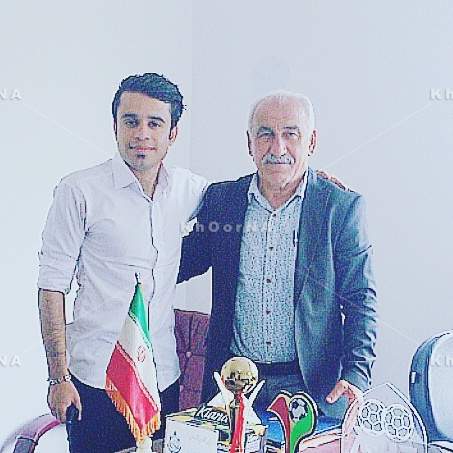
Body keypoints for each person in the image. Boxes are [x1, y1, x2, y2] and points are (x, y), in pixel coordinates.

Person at [177, 91, 377, 418]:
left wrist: (356, 372)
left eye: (291, 134)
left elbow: (360, 297)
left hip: (312, 388)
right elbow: (177, 263)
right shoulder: (223, 200)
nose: (277, 148)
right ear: (250, 143)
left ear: (311, 142)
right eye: (266, 134)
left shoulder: (339, 207)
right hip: (233, 386)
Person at [37, 73, 208, 452]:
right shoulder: (78, 191)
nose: (141, 134)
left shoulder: (189, 189)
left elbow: (244, 195)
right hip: (95, 381)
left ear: (173, 133)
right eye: (131, 121)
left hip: (162, 379)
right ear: (115, 126)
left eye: (155, 123)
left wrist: (313, 180)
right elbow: (51, 285)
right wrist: (57, 378)